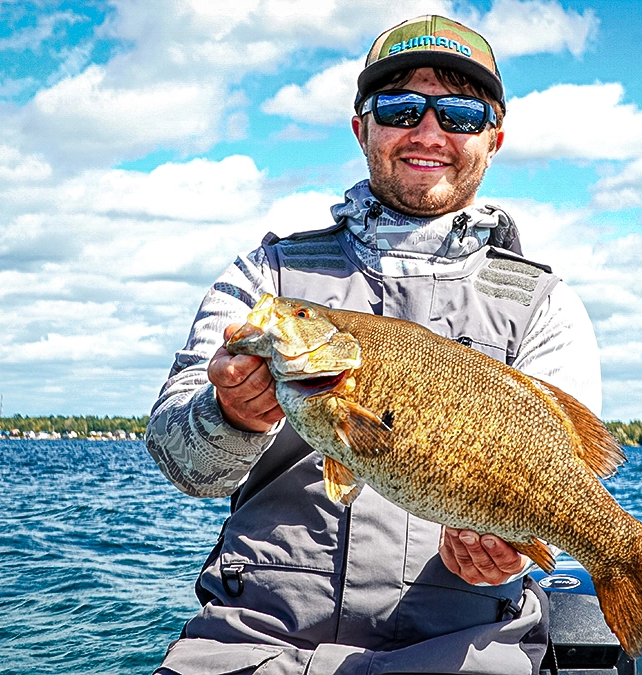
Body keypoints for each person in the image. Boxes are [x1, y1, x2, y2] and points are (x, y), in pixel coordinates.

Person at [146, 15, 602, 675]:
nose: (428, 133)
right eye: (400, 108)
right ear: (362, 128)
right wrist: (229, 416)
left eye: (460, 114)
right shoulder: (266, 276)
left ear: (494, 139)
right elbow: (183, 464)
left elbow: (563, 485)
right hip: (250, 643)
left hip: (460, 653)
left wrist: (502, 554)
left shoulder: (543, 305)